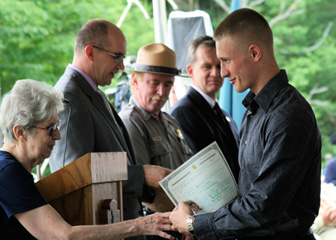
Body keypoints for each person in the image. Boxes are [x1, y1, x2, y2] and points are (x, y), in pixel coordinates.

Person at [169, 8, 321, 240]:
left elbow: (262, 207)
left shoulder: (288, 114)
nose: (222, 72)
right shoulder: (254, 110)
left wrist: (194, 224)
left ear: (254, 53)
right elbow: (248, 195)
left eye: (226, 60)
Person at [0, 79, 174, 240]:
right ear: (20, 132)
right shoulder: (7, 172)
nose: (58, 135)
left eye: (57, 126)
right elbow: (63, 236)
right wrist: (140, 225)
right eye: (50, 128)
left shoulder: (12, 170)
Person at [48, 18, 172, 233]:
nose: (122, 66)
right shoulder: (70, 97)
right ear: (90, 52)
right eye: (117, 57)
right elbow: (72, 174)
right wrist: (141, 174)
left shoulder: (90, 92)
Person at [168, 35, 240, 182]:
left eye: (219, 66)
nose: (215, 73)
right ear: (190, 71)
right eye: (207, 66)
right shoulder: (183, 112)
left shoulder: (222, 114)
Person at [119, 43, 192, 170]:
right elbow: (142, 183)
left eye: (168, 84)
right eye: (154, 83)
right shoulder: (130, 122)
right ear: (135, 80)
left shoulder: (171, 122)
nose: (162, 92)